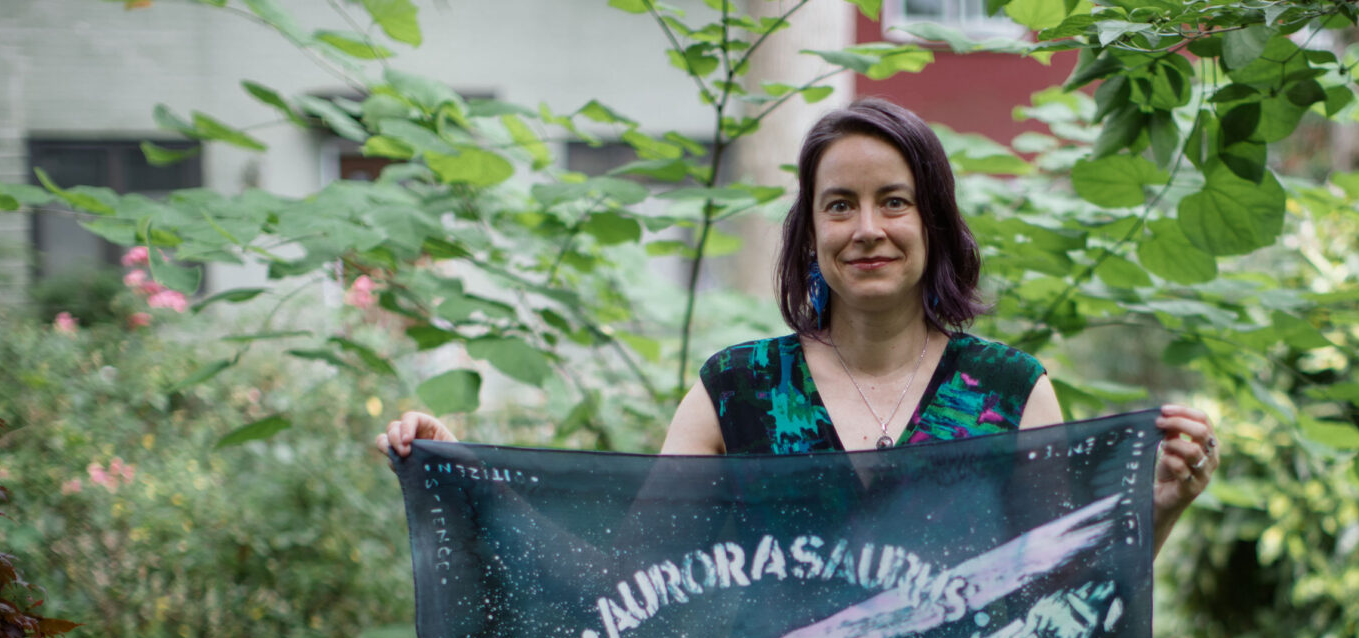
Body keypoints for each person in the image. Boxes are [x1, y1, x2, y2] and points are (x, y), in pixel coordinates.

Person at [378, 98, 1218, 553]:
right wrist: (456, 474)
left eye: (894, 201)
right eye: (839, 204)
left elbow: (1057, 592)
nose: (867, 229)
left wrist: (1163, 506)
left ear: (933, 222)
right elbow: (623, 569)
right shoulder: (736, 390)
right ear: (809, 232)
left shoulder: (1009, 388)